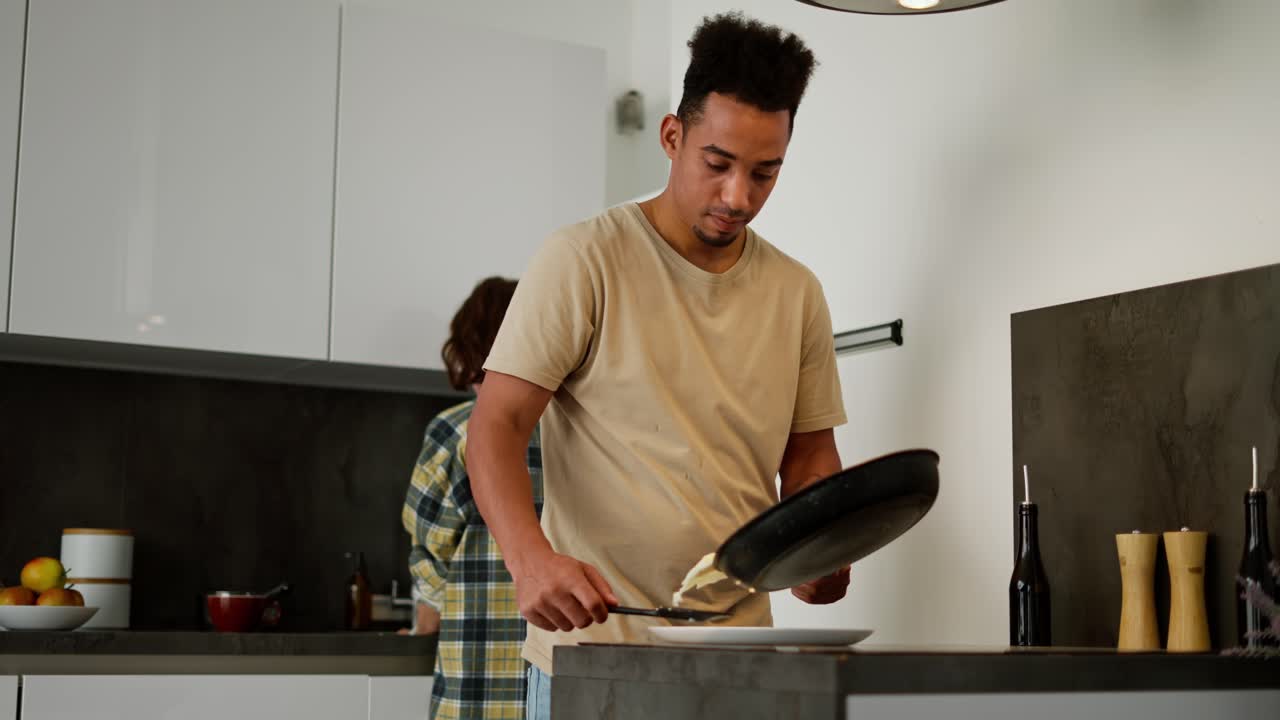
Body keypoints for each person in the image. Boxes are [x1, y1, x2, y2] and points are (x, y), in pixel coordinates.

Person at [467, 13, 851, 718]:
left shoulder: (798, 293)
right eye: (719, 164)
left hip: (740, 661)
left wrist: (822, 545)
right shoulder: (585, 259)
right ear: (673, 137)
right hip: (599, 656)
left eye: (765, 173)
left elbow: (810, 456)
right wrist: (531, 560)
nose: (739, 196)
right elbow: (495, 425)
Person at [402, 276, 543, 720]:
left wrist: (430, 615)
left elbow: (429, 548)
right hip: (558, 675)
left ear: (466, 347)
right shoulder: (579, 436)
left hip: (478, 678)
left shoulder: (456, 431)